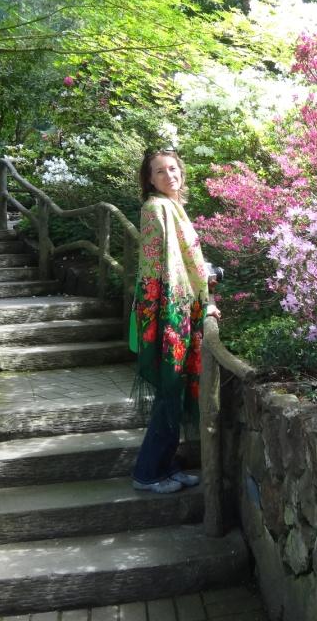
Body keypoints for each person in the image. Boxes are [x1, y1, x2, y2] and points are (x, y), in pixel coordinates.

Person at [130, 148, 219, 494]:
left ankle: (167, 466)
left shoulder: (173, 206)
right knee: (169, 391)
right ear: (150, 180)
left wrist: (202, 299)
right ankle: (147, 474)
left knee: (175, 391)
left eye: (173, 169)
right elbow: (165, 267)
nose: (169, 175)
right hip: (168, 308)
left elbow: (186, 261)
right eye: (160, 171)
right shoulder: (155, 208)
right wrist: (199, 303)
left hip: (180, 306)